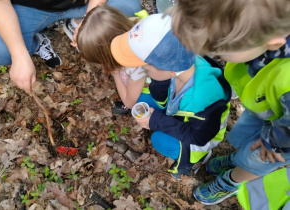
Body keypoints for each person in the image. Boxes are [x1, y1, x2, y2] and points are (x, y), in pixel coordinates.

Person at [170, 0, 290, 205]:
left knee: (258, 158)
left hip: (284, 137)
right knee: (246, 135)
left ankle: (232, 181)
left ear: (273, 42)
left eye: (219, 48)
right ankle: (236, 159)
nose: (215, 54)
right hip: (266, 105)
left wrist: (274, 143)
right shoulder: (259, 31)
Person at [110, 13, 231, 179]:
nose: (146, 73)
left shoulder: (205, 100)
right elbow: (160, 90)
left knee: (160, 140)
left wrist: (156, 121)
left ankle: (197, 160)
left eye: (147, 70)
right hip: (180, 113)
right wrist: (158, 83)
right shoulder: (180, 65)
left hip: (198, 136)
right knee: (142, 99)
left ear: (171, 70)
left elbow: (199, 137)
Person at [0, 0, 141, 94]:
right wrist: (19, 55)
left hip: (81, 4)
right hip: (27, 8)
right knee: (2, 52)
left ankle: (76, 24)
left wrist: (90, 16)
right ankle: (35, 42)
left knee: (128, 7)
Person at [77, 5, 162, 114]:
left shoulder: (135, 67)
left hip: (163, 91)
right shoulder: (137, 26)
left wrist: (116, 73)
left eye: (103, 60)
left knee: (140, 101)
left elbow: (129, 102)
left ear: (110, 53)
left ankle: (156, 110)